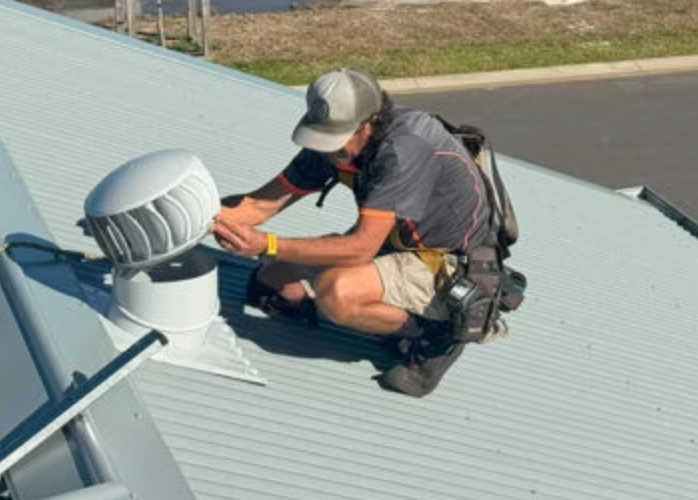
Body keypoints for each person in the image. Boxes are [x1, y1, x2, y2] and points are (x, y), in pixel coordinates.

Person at [211, 67, 493, 397]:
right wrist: (203, 215)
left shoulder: (403, 150)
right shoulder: (336, 147)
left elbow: (360, 247)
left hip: (444, 262)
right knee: (273, 282)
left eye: (335, 139)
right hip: (393, 238)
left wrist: (268, 244)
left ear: (368, 122)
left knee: (336, 292)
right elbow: (259, 205)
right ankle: (386, 313)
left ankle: (432, 334)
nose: (328, 149)